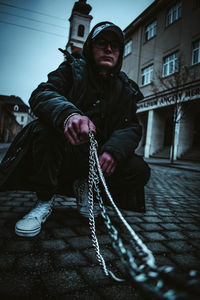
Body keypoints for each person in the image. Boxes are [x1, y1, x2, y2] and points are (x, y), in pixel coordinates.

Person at [0, 22, 150, 237]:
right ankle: (44, 200)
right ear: (90, 46)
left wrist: (114, 150)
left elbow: (131, 126)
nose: (109, 49)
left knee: (139, 169)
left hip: (95, 159)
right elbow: (43, 93)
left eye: (115, 45)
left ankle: (85, 185)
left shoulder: (125, 89)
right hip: (62, 151)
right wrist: (68, 115)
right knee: (43, 128)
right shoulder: (72, 68)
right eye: (102, 43)